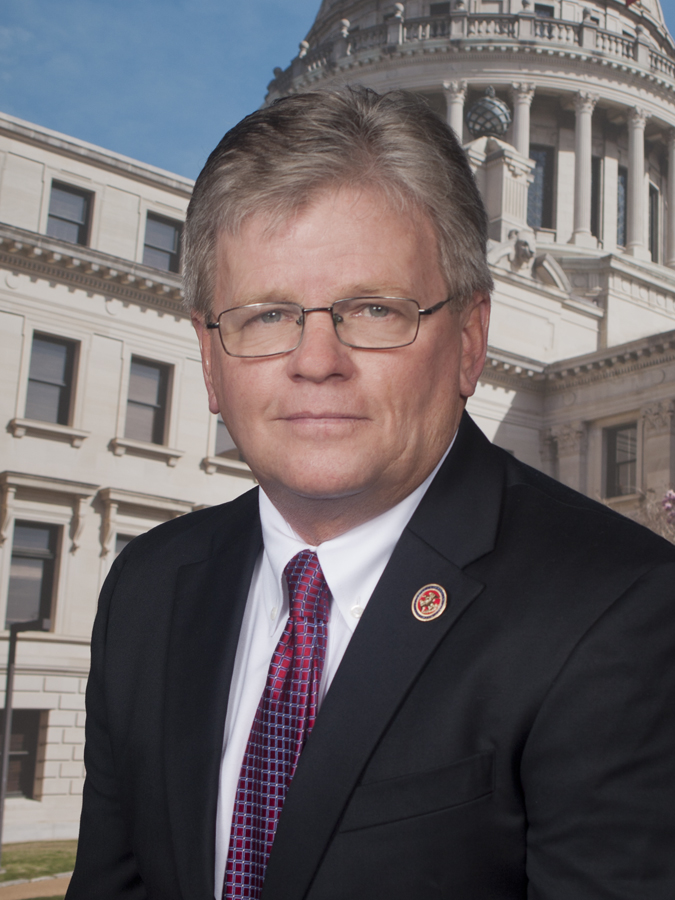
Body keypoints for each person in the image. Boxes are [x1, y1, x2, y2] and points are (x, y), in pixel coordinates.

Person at [66, 88, 675, 900]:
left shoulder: (622, 611)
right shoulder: (147, 589)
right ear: (210, 361)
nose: (317, 361)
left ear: (468, 342)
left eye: (374, 309)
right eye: (265, 315)